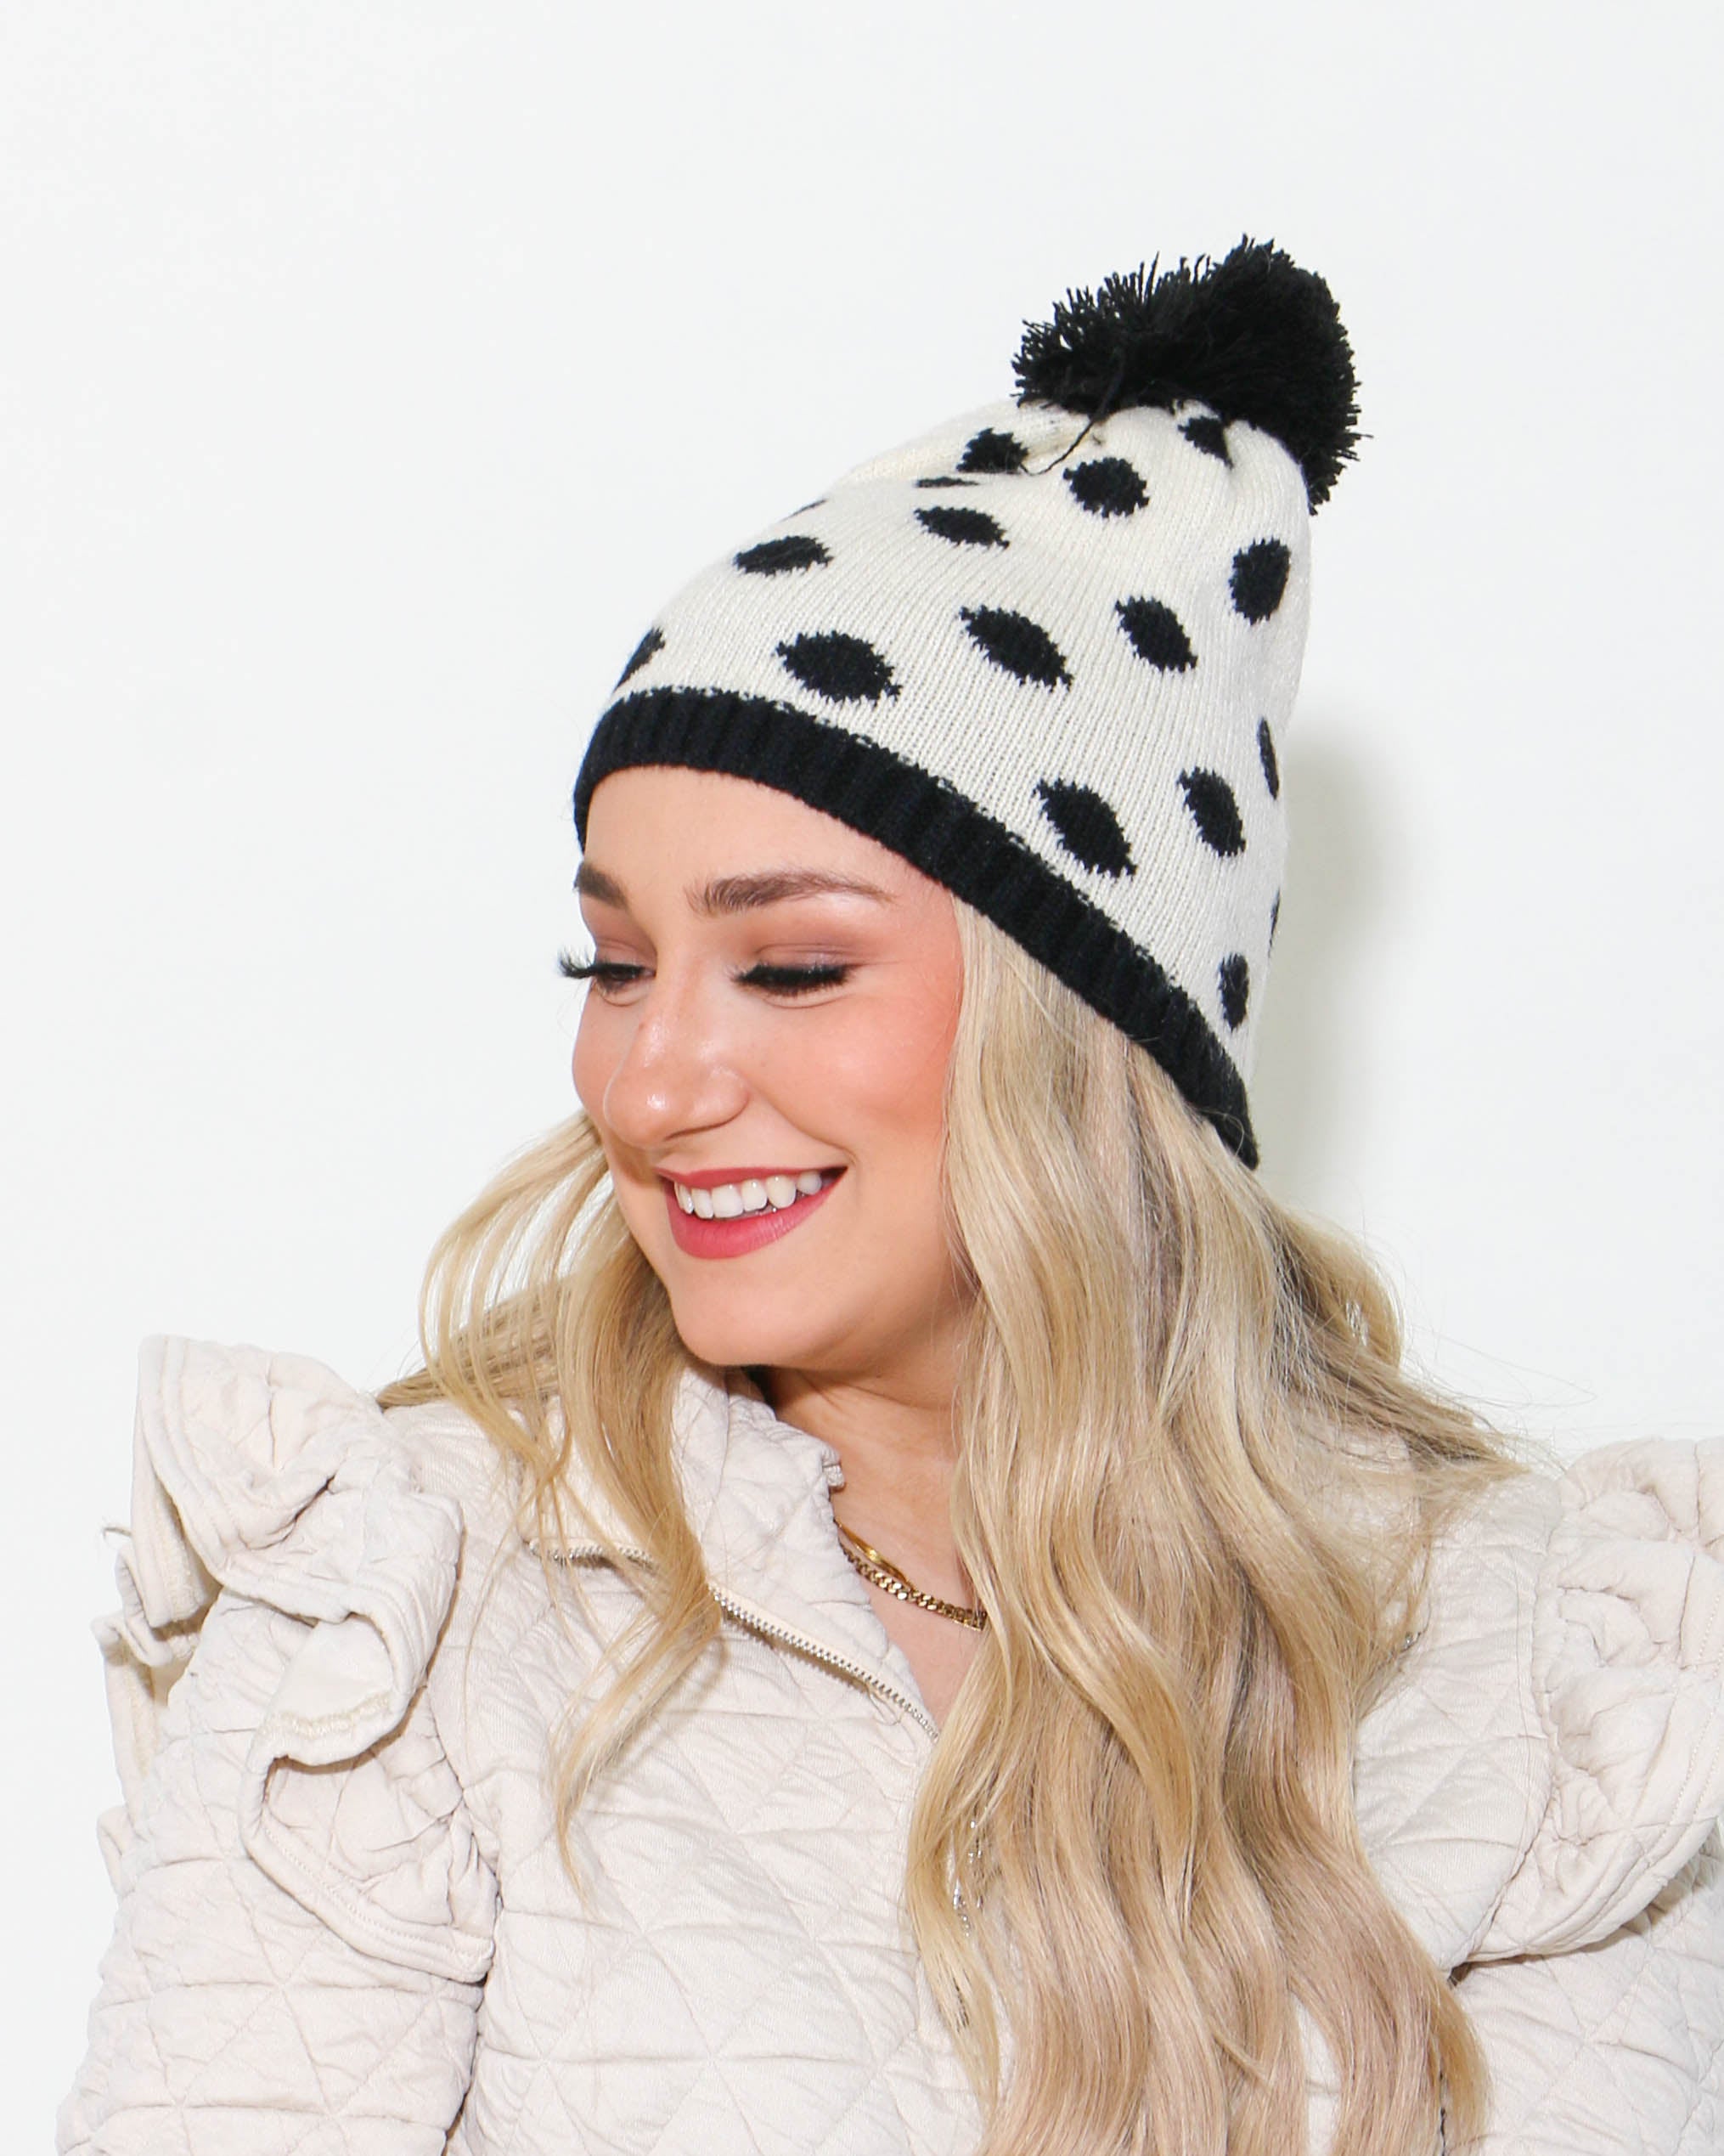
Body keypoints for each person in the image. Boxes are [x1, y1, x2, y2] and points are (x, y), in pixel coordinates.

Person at [60, 241, 1724, 2156]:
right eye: (613, 965)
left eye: (788, 967)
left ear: (1087, 1036)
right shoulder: (405, 1607)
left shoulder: (1530, 1659)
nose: (650, 1083)